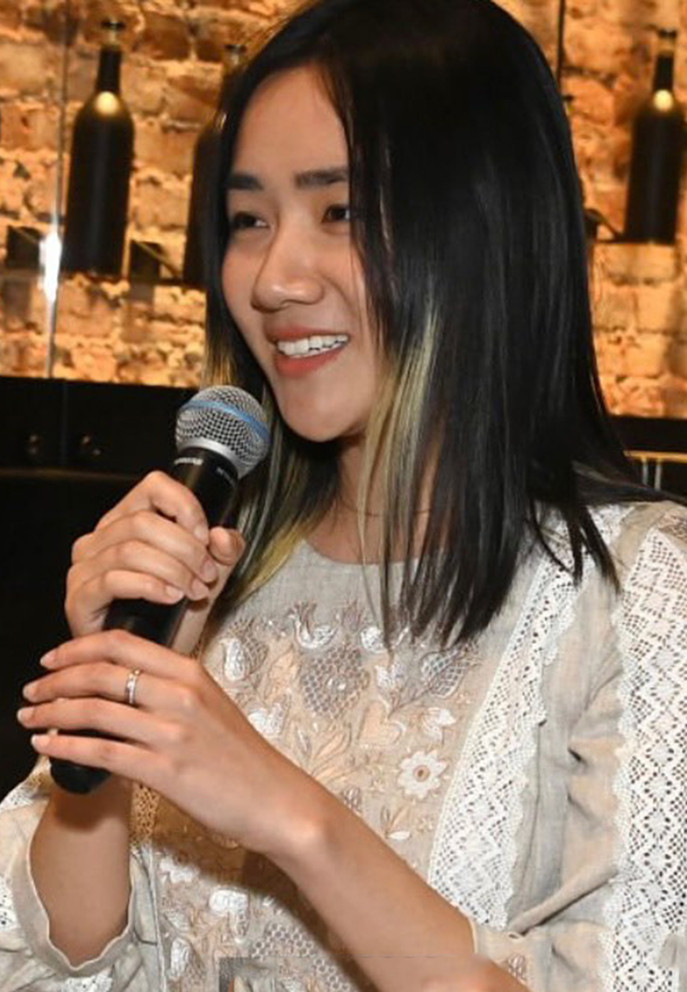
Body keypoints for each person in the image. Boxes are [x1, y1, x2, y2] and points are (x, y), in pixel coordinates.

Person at [1, 0, 686, 989]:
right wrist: (104, 720)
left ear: (485, 233)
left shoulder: (633, 594)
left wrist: (290, 815)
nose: (274, 278)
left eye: (341, 213)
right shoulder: (211, 570)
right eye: (249, 220)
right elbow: (56, 962)